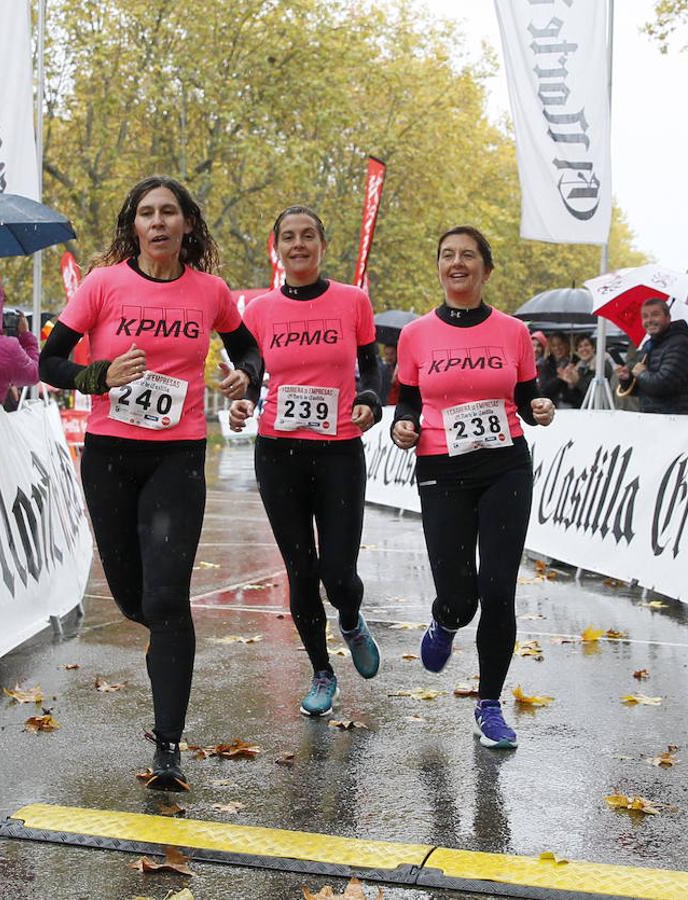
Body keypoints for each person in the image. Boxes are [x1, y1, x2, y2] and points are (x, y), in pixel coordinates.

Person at [39, 175, 261, 792]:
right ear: (133, 226)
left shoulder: (211, 292)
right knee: (136, 599)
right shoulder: (103, 284)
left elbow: (249, 353)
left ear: (187, 225)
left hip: (177, 458)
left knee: (167, 602)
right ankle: (156, 631)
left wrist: (246, 379)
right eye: (147, 214)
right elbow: (49, 362)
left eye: (169, 213)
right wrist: (98, 374)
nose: (158, 222)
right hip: (111, 455)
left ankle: (168, 746)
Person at [391, 225, 554, 750]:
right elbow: (409, 401)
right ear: (438, 267)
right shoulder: (416, 335)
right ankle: (445, 621)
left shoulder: (513, 332)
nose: (456, 263)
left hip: (505, 464)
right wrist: (403, 426)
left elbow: (529, 396)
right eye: (447, 256)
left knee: (499, 588)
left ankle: (489, 704)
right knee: (460, 596)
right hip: (442, 467)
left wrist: (541, 408)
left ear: (486, 268)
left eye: (467, 256)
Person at [228, 205, 383, 718]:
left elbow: (370, 365)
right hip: (279, 452)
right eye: (289, 237)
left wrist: (369, 398)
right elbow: (250, 371)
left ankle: (353, 620)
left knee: (339, 573)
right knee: (300, 570)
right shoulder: (260, 310)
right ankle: (321, 670)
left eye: (308, 236)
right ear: (277, 247)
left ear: (322, 244)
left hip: (339, 449)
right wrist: (243, 399)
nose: (298, 245)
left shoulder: (352, 301)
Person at [615, 298, 688, 415]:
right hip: (653, 419)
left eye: (655, 315)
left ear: (668, 318)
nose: (649, 320)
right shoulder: (649, 346)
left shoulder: (680, 345)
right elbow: (641, 390)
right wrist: (626, 379)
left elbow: (664, 385)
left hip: (675, 421)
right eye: (645, 316)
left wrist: (642, 374)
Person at [537, 331, 583, 408]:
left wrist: (572, 383)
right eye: (554, 346)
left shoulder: (577, 362)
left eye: (560, 344)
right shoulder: (546, 363)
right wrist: (560, 378)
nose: (557, 348)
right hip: (552, 406)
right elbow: (543, 389)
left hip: (574, 406)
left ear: (567, 345)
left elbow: (582, 390)